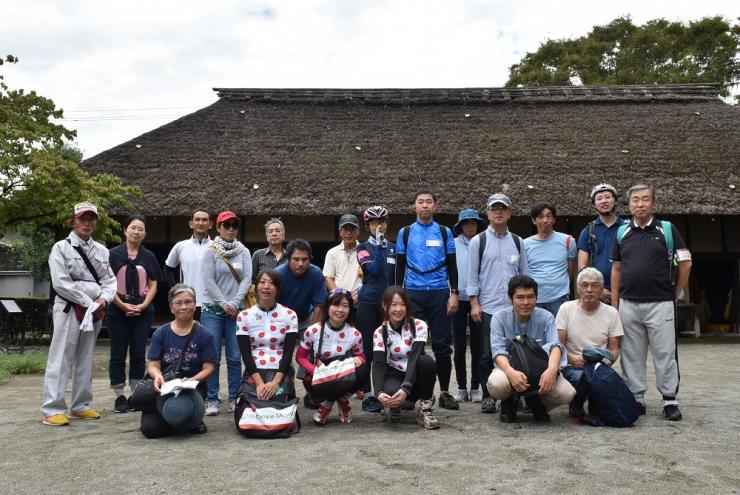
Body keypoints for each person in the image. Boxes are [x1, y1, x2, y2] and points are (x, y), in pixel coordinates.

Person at [611, 184, 692, 421]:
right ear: (629, 205)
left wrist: (675, 292)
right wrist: (615, 303)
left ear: (653, 203)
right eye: (635, 200)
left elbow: (685, 263)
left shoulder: (667, 229)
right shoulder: (622, 232)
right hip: (628, 303)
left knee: (665, 353)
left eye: (645, 199)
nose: (640, 204)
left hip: (661, 303)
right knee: (631, 353)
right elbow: (616, 268)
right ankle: (636, 399)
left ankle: (669, 400)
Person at [41, 202, 117, 426]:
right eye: (82, 218)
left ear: (96, 222)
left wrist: (103, 300)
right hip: (69, 308)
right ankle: (52, 408)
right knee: (61, 357)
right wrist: (88, 302)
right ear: (73, 221)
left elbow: (109, 280)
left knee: (85, 357)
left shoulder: (102, 251)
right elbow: (61, 283)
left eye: (91, 218)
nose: (87, 222)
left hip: (94, 310)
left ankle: (80, 405)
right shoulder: (60, 248)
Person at [395, 190, 459, 410]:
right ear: (414, 206)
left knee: (442, 346)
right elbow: (400, 267)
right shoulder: (404, 233)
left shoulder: (444, 232)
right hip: (413, 293)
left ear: (435, 206)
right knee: (416, 346)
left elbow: (452, 264)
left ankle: (444, 393)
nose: (424, 206)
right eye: (420, 202)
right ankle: (420, 393)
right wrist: (399, 297)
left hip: (440, 292)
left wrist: (454, 293)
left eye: (428, 202)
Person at [467, 193, 528, 414]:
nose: (499, 212)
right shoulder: (478, 241)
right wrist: (474, 303)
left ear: (510, 213)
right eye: (494, 208)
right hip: (488, 307)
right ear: (488, 212)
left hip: (513, 310)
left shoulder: (518, 242)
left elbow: (524, 276)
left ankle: (515, 394)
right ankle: (488, 396)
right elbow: (472, 276)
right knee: (485, 354)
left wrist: (524, 305)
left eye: (503, 208)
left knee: (517, 353)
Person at [487, 275, 576, 423]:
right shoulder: (499, 318)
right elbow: (498, 352)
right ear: (510, 299)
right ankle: (509, 401)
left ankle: (534, 402)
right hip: (510, 369)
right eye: (520, 298)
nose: (526, 302)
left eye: (531, 297)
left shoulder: (547, 317)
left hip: (540, 370)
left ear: (536, 298)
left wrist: (552, 370)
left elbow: (556, 346)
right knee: (497, 384)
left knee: (567, 393)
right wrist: (511, 372)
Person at [141, 284, 216, 438]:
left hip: (192, 387)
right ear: (171, 307)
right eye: (178, 302)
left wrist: (192, 379)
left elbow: (209, 368)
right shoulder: (160, 333)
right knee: (150, 430)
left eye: (188, 302)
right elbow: (153, 365)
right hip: (165, 386)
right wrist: (158, 376)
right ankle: (178, 421)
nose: (184, 306)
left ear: (195, 305)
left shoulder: (205, 335)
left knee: (181, 413)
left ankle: (186, 417)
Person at [107, 214, 163, 413]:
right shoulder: (113, 254)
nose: (136, 232)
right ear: (125, 230)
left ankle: (135, 394)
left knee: (139, 352)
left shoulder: (148, 256)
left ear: (145, 233)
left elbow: (153, 283)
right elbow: (107, 283)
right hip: (117, 308)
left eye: (141, 229)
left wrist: (143, 305)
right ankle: (119, 395)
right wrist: (122, 305)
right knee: (118, 352)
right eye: (133, 228)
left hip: (143, 308)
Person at [200, 211, 251, 416]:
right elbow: (208, 281)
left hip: (236, 310)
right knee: (212, 357)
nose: (231, 229)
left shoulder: (244, 252)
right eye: (226, 225)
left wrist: (235, 303)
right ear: (218, 228)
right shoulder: (210, 251)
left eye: (234, 225)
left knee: (234, 356)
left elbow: (247, 279)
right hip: (213, 309)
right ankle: (212, 399)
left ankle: (233, 397)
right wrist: (224, 304)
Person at [556, 267, 623, 420]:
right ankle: (576, 403)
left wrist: (605, 363)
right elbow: (558, 344)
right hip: (571, 364)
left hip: (598, 364)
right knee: (582, 377)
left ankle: (595, 401)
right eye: (584, 285)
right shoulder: (566, 309)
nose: (589, 290)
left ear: (602, 290)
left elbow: (614, 349)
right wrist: (571, 358)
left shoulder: (611, 313)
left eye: (594, 285)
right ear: (578, 289)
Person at [296, 289, 369, 425]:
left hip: (342, 375)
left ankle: (329, 403)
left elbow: (362, 357)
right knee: (309, 379)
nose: (340, 310)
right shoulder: (313, 331)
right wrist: (314, 371)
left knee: (363, 369)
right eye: (336, 305)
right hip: (321, 375)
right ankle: (341, 401)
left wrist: (359, 359)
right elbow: (300, 357)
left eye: (345, 306)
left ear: (350, 309)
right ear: (328, 306)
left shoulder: (355, 334)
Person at [372, 286, 440, 429]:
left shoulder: (419, 325)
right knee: (389, 393)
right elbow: (378, 364)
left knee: (427, 362)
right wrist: (378, 393)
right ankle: (396, 406)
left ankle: (426, 408)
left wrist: (406, 388)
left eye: (402, 304)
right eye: (394, 304)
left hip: (415, 373)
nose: (398, 309)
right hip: (395, 372)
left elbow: (415, 357)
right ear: (385, 306)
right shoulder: (380, 332)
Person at [234, 269, 298, 419]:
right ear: (256, 287)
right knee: (251, 411)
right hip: (255, 369)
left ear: (278, 288)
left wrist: (275, 382)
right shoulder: (244, 316)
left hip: (280, 369)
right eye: (262, 282)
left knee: (279, 409)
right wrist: (259, 384)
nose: (266, 286)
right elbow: (246, 353)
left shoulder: (289, 315)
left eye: (271, 283)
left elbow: (288, 352)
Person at [451, 208, 487, 403]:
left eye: (473, 222)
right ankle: (462, 387)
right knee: (459, 345)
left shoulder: (483, 242)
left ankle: (476, 387)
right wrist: (452, 294)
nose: (470, 226)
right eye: (466, 223)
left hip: (479, 300)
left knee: (478, 346)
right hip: (457, 298)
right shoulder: (453, 244)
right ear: (461, 226)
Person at [577, 184, 628, 304]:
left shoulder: (627, 227)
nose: (604, 201)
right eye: (599, 198)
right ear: (594, 204)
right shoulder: (588, 231)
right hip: (598, 291)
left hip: (626, 290)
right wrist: (599, 290)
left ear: (615, 200)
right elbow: (582, 267)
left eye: (607, 197)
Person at [524, 201, 576, 317]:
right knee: (535, 334)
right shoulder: (524, 244)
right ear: (533, 220)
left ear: (554, 219)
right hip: (534, 298)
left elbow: (570, 271)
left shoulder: (568, 241)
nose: (545, 220)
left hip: (560, 297)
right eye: (540, 216)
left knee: (559, 333)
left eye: (549, 216)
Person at [164, 209, 213, 321]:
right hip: (187, 302)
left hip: (212, 303)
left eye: (205, 220)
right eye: (197, 220)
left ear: (210, 225)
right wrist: (176, 289)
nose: (201, 223)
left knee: (210, 338)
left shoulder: (216, 246)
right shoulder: (181, 246)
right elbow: (168, 269)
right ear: (191, 224)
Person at [275, 239, 327, 330]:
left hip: (306, 319)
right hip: (280, 320)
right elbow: (271, 304)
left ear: (310, 259)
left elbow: (319, 306)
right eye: (296, 259)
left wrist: (313, 332)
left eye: (304, 259)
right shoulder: (278, 274)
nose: (300, 264)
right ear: (288, 259)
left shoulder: (316, 273)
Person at [323, 214, 363, 302]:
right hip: (338, 301)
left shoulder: (365, 251)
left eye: (352, 229)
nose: (349, 233)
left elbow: (370, 278)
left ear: (358, 231)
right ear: (340, 232)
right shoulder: (332, 253)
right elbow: (328, 278)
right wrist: (340, 297)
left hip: (360, 300)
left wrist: (359, 295)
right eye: (345, 229)